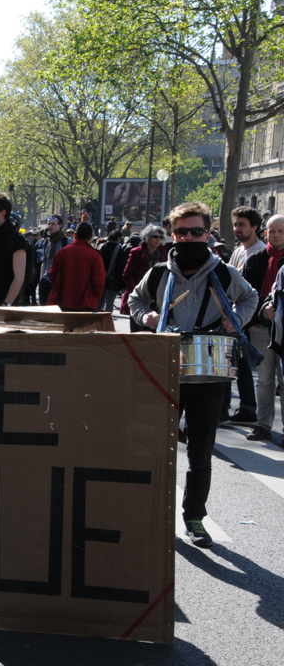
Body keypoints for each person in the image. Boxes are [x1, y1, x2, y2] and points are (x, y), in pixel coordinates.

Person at [129, 201, 258, 548]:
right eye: (182, 232)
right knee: (155, 449)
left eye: (197, 231)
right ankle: (154, 513)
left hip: (209, 376)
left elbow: (251, 298)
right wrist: (149, 319)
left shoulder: (224, 273)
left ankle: (195, 517)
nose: (189, 237)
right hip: (164, 372)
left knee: (200, 453)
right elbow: (135, 301)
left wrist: (237, 320)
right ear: (172, 235)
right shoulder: (158, 273)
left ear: (208, 233)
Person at [239, 213, 284, 441]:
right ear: (265, 233)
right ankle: (263, 424)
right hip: (261, 330)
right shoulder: (255, 260)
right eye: (272, 231)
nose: (276, 235)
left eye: (281, 231)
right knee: (265, 379)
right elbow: (246, 296)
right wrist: (256, 320)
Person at [220, 207, 265, 425]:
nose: (237, 229)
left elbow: (258, 291)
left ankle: (246, 409)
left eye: (242, 225)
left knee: (244, 365)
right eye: (236, 224)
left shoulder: (260, 252)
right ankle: (244, 408)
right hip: (236, 317)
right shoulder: (239, 251)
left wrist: (254, 321)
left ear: (255, 227)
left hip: (248, 320)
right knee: (237, 364)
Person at [46, 222, 105, 311]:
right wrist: (94, 298)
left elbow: (52, 274)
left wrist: (60, 287)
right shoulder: (95, 255)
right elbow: (99, 281)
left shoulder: (63, 252)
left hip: (63, 300)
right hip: (86, 303)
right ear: (91, 236)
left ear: (75, 235)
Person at [120, 224, 168, 331]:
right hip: (141, 297)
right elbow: (127, 275)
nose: (158, 240)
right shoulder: (137, 252)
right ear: (147, 237)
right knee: (138, 333)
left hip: (158, 299)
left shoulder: (164, 253)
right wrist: (138, 290)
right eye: (155, 237)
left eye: (160, 237)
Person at [36, 215, 70, 305]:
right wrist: (41, 279)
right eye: (49, 224)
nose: (50, 226)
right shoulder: (47, 242)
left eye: (53, 224)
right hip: (46, 281)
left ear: (60, 225)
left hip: (59, 283)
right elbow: (44, 261)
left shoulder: (67, 242)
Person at [99, 230, 126, 312]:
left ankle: (97, 319)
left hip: (100, 277)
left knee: (99, 302)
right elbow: (120, 266)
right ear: (118, 238)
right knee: (109, 302)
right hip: (113, 279)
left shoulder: (102, 246)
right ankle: (108, 321)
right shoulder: (118, 248)